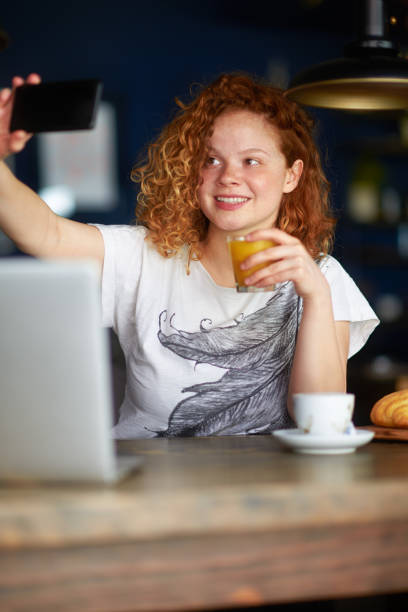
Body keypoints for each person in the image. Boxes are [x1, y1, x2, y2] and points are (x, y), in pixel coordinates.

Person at [0, 71, 379, 438]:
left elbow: (321, 422)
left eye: (252, 161)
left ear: (291, 176)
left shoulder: (323, 277)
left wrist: (314, 294)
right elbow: (44, 233)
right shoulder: (145, 257)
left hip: (273, 491)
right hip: (150, 490)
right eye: (211, 159)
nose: (228, 176)